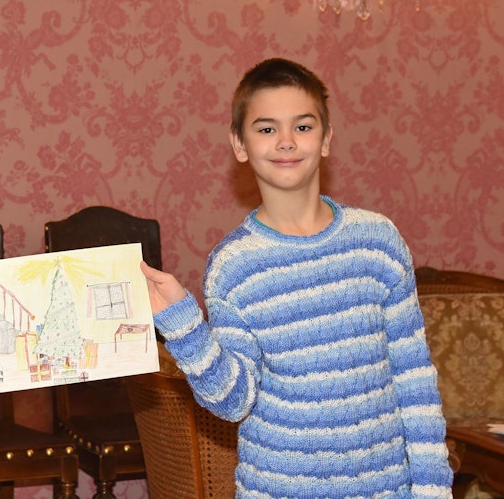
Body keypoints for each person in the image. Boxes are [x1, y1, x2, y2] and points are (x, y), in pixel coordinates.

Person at [141, 58, 453, 497]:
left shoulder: (377, 241)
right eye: (266, 129)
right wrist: (182, 323)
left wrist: (434, 491)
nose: (286, 142)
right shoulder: (233, 266)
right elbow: (234, 402)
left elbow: (415, 381)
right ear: (239, 144)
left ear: (326, 139)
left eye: (303, 127)